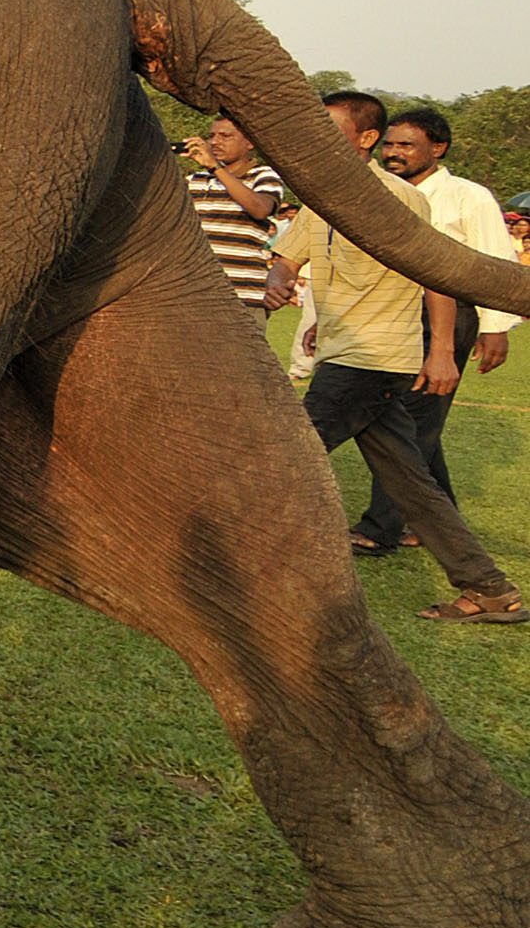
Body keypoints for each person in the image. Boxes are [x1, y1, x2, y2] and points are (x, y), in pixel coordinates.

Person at [266, 91, 519, 621]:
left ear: (365, 139)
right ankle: (492, 590)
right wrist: (280, 284)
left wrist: (443, 352)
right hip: (346, 349)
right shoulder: (319, 197)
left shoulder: (398, 201)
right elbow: (289, 259)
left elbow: (435, 278)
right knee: (412, 483)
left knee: (281, 459)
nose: (315, 136)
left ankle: (222, 564)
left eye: (330, 128)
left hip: (372, 356)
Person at [351, 106, 520, 553]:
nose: (393, 153)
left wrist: (495, 327)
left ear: (438, 148)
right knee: (414, 418)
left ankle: (379, 528)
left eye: (406, 145)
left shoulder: (468, 196)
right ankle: (439, 517)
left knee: (414, 421)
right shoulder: (378, 192)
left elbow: (496, 260)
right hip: (392, 312)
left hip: (448, 316)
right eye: (388, 144)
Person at [181, 118, 286, 308]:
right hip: (196, 292)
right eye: (211, 136)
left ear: (249, 142)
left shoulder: (263, 176)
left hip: (242, 294)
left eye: (225, 136)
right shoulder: (194, 180)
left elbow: (260, 209)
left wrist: (215, 167)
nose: (214, 142)